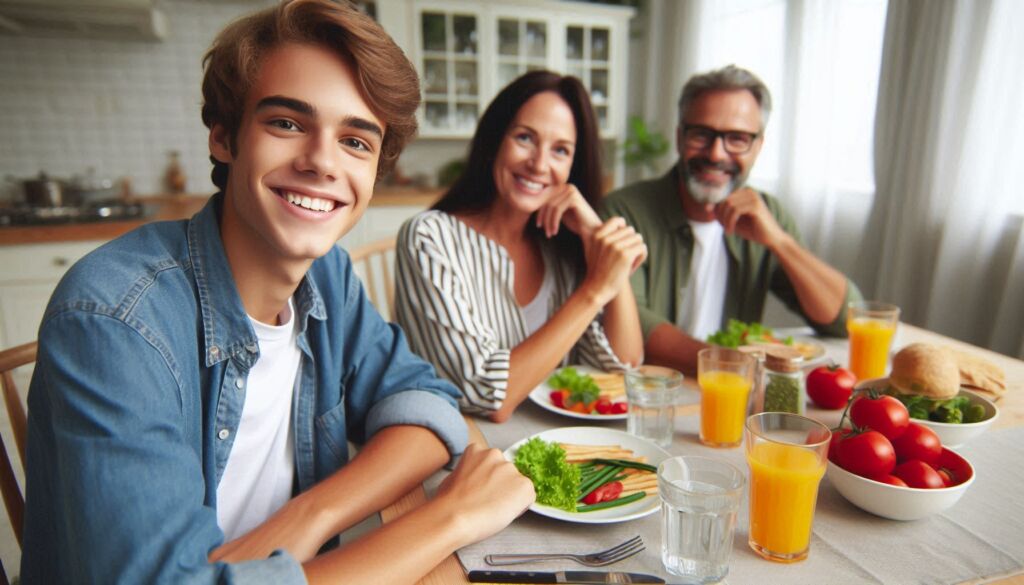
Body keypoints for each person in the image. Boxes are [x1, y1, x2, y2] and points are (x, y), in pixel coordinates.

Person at [20, 1, 533, 583]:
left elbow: (425, 399)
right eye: (287, 123)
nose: (321, 161)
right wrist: (452, 517)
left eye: (356, 142)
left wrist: (308, 517)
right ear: (223, 136)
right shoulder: (113, 323)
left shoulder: (328, 278)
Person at [395, 71, 647, 423]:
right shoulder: (430, 238)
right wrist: (594, 290)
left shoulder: (561, 246)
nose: (540, 164)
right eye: (525, 138)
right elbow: (487, 396)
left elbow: (625, 369)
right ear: (495, 139)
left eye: (560, 150)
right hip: (471, 455)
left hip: (557, 446)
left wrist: (599, 240)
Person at [602, 65, 862, 375]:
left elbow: (844, 322)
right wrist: (732, 365)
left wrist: (779, 241)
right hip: (652, 392)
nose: (716, 154)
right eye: (701, 134)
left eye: (737, 139)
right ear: (679, 137)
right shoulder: (624, 212)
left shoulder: (767, 213)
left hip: (733, 395)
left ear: (758, 146)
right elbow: (636, 326)